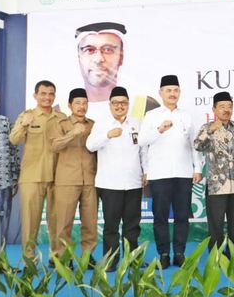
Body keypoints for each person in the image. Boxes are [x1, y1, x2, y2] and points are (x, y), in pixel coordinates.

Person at [138, 75, 202, 269]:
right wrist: (160, 129)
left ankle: (180, 253)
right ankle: (164, 254)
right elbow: (142, 142)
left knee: (182, 216)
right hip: (159, 173)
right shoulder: (152, 116)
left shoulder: (186, 116)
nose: (172, 94)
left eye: (175, 90)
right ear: (161, 93)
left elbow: (194, 145)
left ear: (179, 93)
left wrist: (197, 168)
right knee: (160, 217)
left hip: (183, 173)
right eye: (168, 90)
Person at [86, 86, 144, 271]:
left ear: (128, 104)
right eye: (116, 103)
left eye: (123, 103)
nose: (120, 106)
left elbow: (143, 150)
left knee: (132, 225)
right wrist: (107, 135)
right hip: (110, 183)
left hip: (133, 182)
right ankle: (111, 260)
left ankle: (133, 259)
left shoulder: (136, 123)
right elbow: (90, 145)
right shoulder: (102, 124)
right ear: (110, 105)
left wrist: (146, 172)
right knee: (111, 225)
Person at [9, 80, 66, 259]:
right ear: (35, 96)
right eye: (43, 93)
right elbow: (14, 139)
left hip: (57, 176)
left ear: (54, 96)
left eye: (51, 94)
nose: (47, 97)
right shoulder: (27, 115)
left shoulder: (61, 117)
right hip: (32, 176)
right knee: (30, 222)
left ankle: (57, 258)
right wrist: (23, 124)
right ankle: (29, 260)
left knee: (57, 221)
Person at [73, 22, 159, 121]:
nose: (98, 59)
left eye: (108, 50)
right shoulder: (63, 111)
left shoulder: (145, 106)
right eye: (89, 50)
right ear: (79, 57)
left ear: (121, 57)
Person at [49, 88, 97, 264]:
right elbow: (54, 146)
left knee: (90, 222)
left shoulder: (93, 125)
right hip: (67, 180)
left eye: (84, 103)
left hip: (90, 179)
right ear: (70, 105)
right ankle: (63, 256)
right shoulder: (60, 124)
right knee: (64, 222)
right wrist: (72, 133)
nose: (81, 106)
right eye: (77, 103)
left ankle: (87, 256)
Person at [193, 91, 234, 252]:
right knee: (216, 225)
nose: (226, 110)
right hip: (216, 186)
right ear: (214, 109)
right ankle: (216, 257)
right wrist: (210, 130)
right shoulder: (207, 128)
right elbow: (197, 146)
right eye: (222, 106)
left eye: (229, 106)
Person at [0, 99, 20, 249]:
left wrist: (15, 177)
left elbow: (13, 151)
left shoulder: (5, 122)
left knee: (3, 218)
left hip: (3, 181)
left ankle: (1, 257)